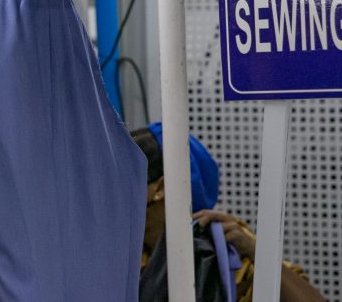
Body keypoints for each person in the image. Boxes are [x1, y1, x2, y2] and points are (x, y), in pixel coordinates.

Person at [132, 124, 325, 302]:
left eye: (126, 180)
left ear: (161, 188)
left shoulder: (222, 249)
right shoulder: (127, 245)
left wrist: (254, 251)